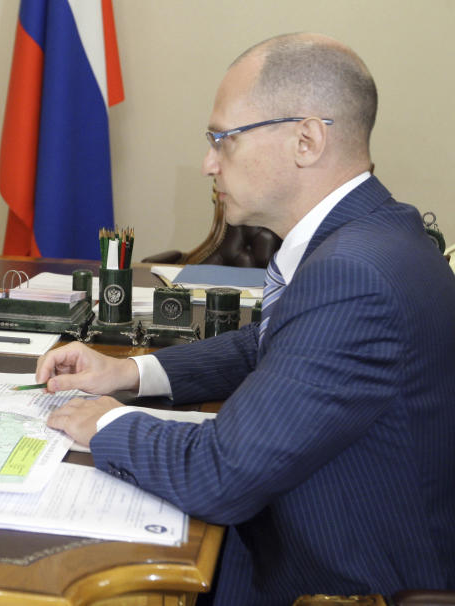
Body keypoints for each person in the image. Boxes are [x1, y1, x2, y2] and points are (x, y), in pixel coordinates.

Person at [38, 33, 455, 605]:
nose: (209, 163)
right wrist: (129, 374)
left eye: (222, 139)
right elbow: (269, 345)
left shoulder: (353, 275)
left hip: (334, 575)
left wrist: (105, 423)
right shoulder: (378, 232)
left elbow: (219, 476)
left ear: (306, 140)